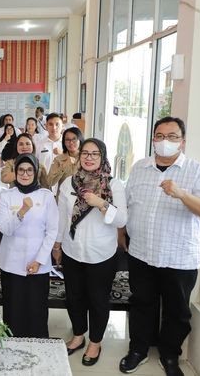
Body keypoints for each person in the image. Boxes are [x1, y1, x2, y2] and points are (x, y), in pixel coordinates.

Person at [119, 117, 200, 376]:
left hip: (178, 256)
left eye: (172, 136)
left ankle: (169, 356)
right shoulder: (140, 167)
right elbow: (127, 203)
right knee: (142, 304)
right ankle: (138, 350)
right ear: (153, 139)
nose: (164, 141)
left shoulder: (197, 171)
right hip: (142, 252)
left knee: (177, 311)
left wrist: (182, 194)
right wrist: (121, 231)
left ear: (182, 141)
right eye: (159, 135)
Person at [54, 138, 127, 366]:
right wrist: (57, 246)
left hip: (101, 255)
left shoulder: (114, 185)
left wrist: (101, 203)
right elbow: (61, 218)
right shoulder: (68, 183)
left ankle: (95, 342)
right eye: (85, 153)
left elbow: (122, 219)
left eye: (95, 154)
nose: (89, 157)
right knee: (74, 298)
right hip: (72, 251)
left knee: (97, 301)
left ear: (102, 157)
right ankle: (78, 335)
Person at [0, 153, 58, 338]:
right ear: (15, 173)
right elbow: (5, 230)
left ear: (36, 171)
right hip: (11, 264)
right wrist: (22, 212)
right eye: (21, 170)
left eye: (30, 170)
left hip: (38, 266)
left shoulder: (46, 196)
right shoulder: (6, 196)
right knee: (13, 311)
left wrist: (39, 261)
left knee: (36, 312)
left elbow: (52, 232)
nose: (25, 174)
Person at [47, 127, 84, 197]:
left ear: (80, 140)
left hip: (82, 199)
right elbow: (49, 182)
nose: (71, 142)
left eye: (74, 139)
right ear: (64, 142)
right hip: (63, 199)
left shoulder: (86, 158)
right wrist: (63, 168)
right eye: (67, 140)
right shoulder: (58, 159)